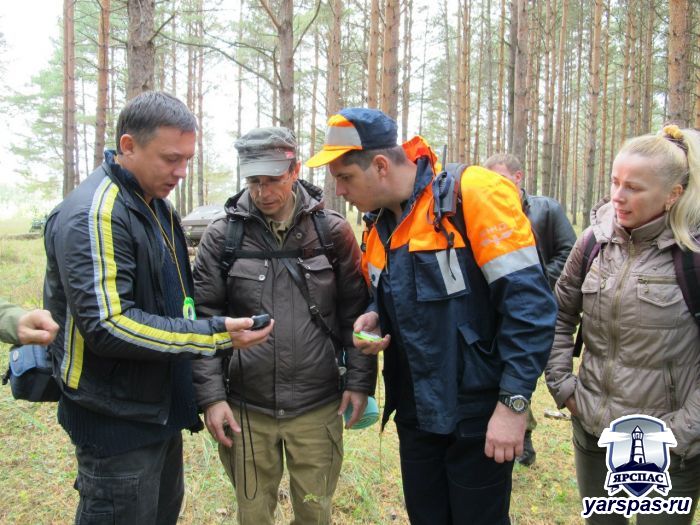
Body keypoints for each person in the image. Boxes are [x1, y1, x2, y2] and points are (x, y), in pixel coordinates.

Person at [306, 108, 556, 525]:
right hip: (416, 413)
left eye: (345, 177)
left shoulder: (472, 194)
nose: (339, 190)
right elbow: (390, 298)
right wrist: (375, 316)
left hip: (477, 413)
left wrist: (513, 406)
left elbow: (530, 309)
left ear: (380, 165)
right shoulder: (377, 226)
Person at [43, 91, 272, 525]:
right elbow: (109, 324)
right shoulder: (96, 213)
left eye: (187, 159)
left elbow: (177, 303)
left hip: (155, 409)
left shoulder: (156, 206)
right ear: (128, 146)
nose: (181, 172)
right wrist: (214, 334)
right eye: (171, 159)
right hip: (115, 419)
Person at [191, 126, 375, 525]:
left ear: (294, 171)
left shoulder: (332, 231)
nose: (263, 192)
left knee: (314, 512)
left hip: (317, 406)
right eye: (254, 181)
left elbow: (356, 315)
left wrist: (360, 383)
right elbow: (203, 321)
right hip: (246, 408)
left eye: (273, 179)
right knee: (253, 514)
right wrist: (211, 398)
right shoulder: (222, 237)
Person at [545, 125, 700, 524]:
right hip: (595, 429)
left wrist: (683, 429)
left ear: (673, 194)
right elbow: (559, 315)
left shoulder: (693, 257)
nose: (618, 195)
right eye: (615, 182)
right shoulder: (592, 242)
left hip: (669, 443)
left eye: (633, 187)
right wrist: (564, 387)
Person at [484, 153, 576, 466]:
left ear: (518, 177)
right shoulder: (485, 212)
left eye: (501, 180)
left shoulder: (546, 210)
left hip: (540, 309)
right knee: (505, 372)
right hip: (499, 311)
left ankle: (524, 438)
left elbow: (568, 251)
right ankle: (516, 435)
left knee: (525, 370)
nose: (495, 188)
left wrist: (535, 283)